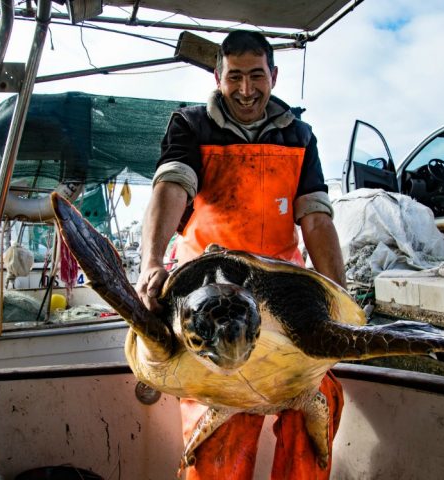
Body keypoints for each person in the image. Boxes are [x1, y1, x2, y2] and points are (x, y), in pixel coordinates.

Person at [135, 30, 346, 479]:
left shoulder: (300, 135)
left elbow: (315, 217)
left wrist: (340, 296)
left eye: (256, 76)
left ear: (274, 75)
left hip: (283, 301)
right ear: (217, 77)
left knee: (319, 404)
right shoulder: (191, 125)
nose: (246, 90)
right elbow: (173, 186)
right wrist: (151, 261)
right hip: (207, 296)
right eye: (235, 78)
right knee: (221, 438)